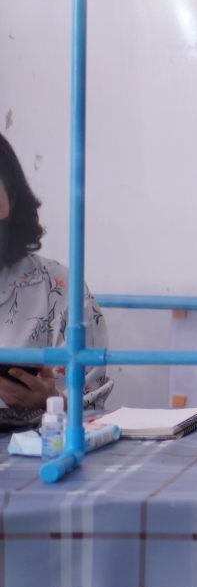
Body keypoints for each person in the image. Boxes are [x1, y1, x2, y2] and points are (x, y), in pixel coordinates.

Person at [0, 131, 111, 416]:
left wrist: (52, 403)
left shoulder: (59, 289)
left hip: (38, 441)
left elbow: (93, 405)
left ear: (12, 200)